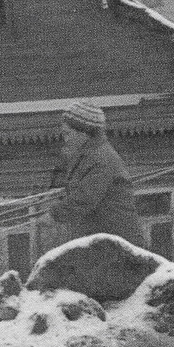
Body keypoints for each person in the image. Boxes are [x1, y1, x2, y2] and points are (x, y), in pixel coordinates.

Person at [42, 102, 140, 247]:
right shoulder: (86, 156)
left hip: (116, 242)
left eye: (68, 133)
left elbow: (85, 198)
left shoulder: (101, 158)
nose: (65, 139)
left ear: (84, 132)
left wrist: (54, 215)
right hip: (100, 238)